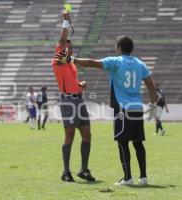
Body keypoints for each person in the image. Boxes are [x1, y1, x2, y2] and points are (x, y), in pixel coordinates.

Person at [55, 35, 157, 185]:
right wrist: (153, 107)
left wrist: (72, 59)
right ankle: (143, 177)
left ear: (119, 48)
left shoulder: (115, 62)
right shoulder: (140, 64)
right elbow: (151, 85)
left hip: (123, 108)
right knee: (138, 143)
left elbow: (92, 63)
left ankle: (127, 178)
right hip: (137, 108)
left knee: (123, 142)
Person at [51, 11, 96, 182]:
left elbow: (71, 82)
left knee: (87, 133)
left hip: (78, 98)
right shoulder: (57, 61)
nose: (68, 48)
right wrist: (65, 23)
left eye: (70, 47)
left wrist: (80, 85)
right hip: (67, 100)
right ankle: (66, 172)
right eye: (65, 47)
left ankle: (84, 170)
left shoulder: (71, 65)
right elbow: (61, 41)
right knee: (70, 133)